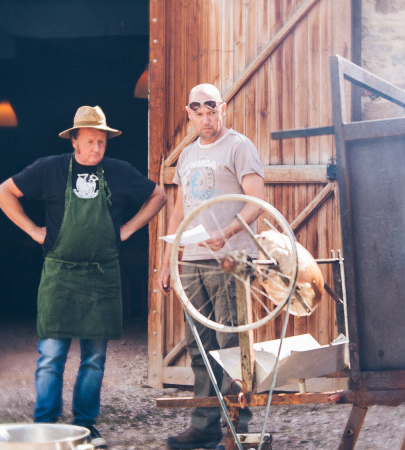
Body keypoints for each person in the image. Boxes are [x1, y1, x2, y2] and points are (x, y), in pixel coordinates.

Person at [0, 105, 166, 448]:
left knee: (94, 359)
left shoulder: (119, 171)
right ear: (73, 140)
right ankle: (45, 426)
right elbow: (3, 192)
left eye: (101, 142)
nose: (96, 148)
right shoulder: (50, 169)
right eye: (89, 141)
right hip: (59, 275)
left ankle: (85, 425)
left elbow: (158, 196)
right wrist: (33, 231)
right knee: (51, 357)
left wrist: (128, 229)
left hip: (102, 277)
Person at [158, 84, 265, 450]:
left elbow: (256, 201)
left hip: (230, 259)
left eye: (211, 110)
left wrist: (227, 232)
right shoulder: (187, 154)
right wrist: (168, 262)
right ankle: (204, 426)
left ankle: (237, 429)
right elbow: (178, 211)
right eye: (198, 112)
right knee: (199, 346)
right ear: (189, 113)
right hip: (192, 261)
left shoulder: (239, 146)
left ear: (222, 108)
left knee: (231, 343)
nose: (206, 119)